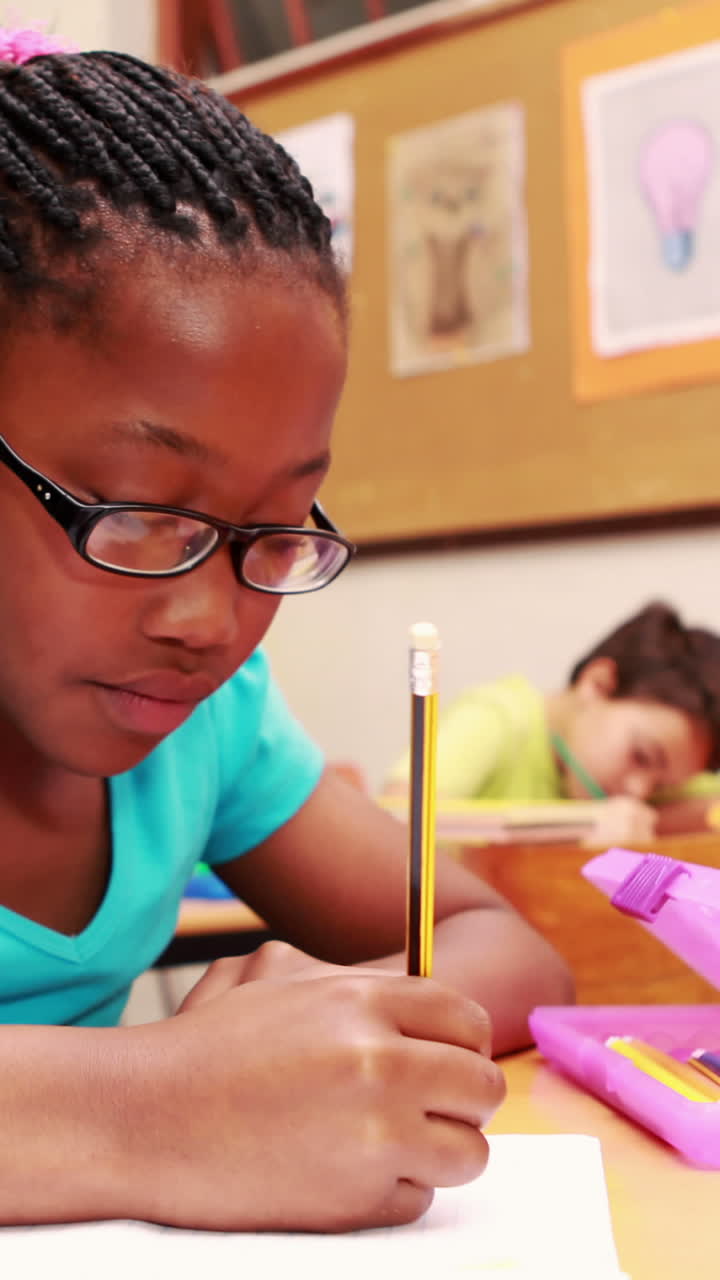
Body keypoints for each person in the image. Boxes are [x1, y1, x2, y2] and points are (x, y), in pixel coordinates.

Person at [0, 31, 573, 1234]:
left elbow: (496, 940)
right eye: (139, 515)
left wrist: (335, 1032)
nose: (212, 619)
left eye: (272, 526)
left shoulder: (200, 732)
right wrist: (158, 1103)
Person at [383, 601, 720, 846]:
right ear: (599, 684)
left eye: (662, 787)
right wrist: (579, 826)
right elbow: (395, 822)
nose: (639, 792)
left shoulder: (650, 767)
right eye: (642, 756)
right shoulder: (497, 719)